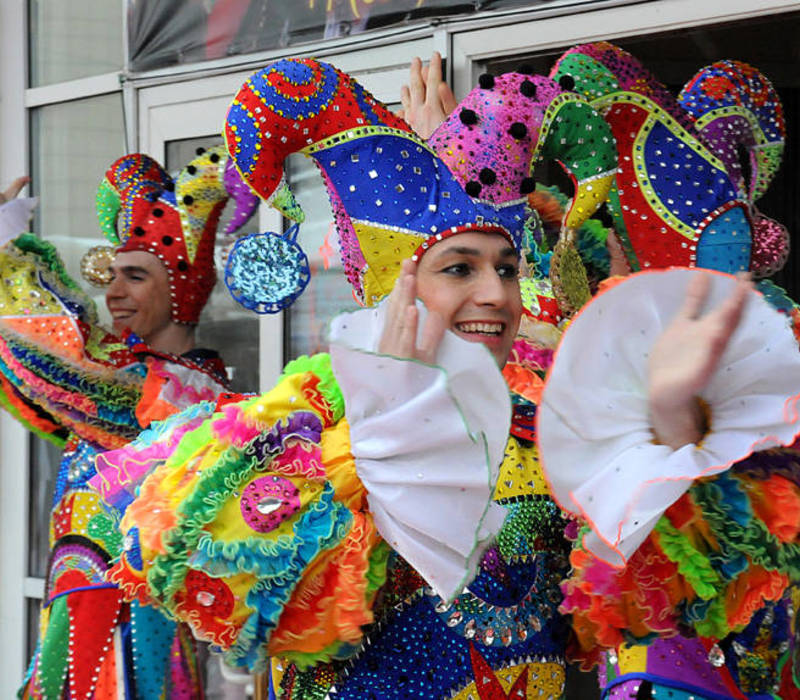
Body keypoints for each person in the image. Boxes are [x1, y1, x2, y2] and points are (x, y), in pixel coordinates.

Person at [88, 57, 800, 700]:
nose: (496, 294)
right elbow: (240, 597)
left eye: (507, 267)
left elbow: (655, 583)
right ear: (396, 285)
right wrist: (384, 434)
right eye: (460, 268)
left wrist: (672, 419)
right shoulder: (308, 421)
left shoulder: (546, 416)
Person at [0, 146, 258, 698]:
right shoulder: (133, 381)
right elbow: (36, 386)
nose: (112, 293)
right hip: (84, 611)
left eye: (135, 277)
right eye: (112, 275)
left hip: (128, 625)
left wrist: (6, 255)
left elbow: (60, 360)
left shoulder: (178, 392)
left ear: (182, 291)